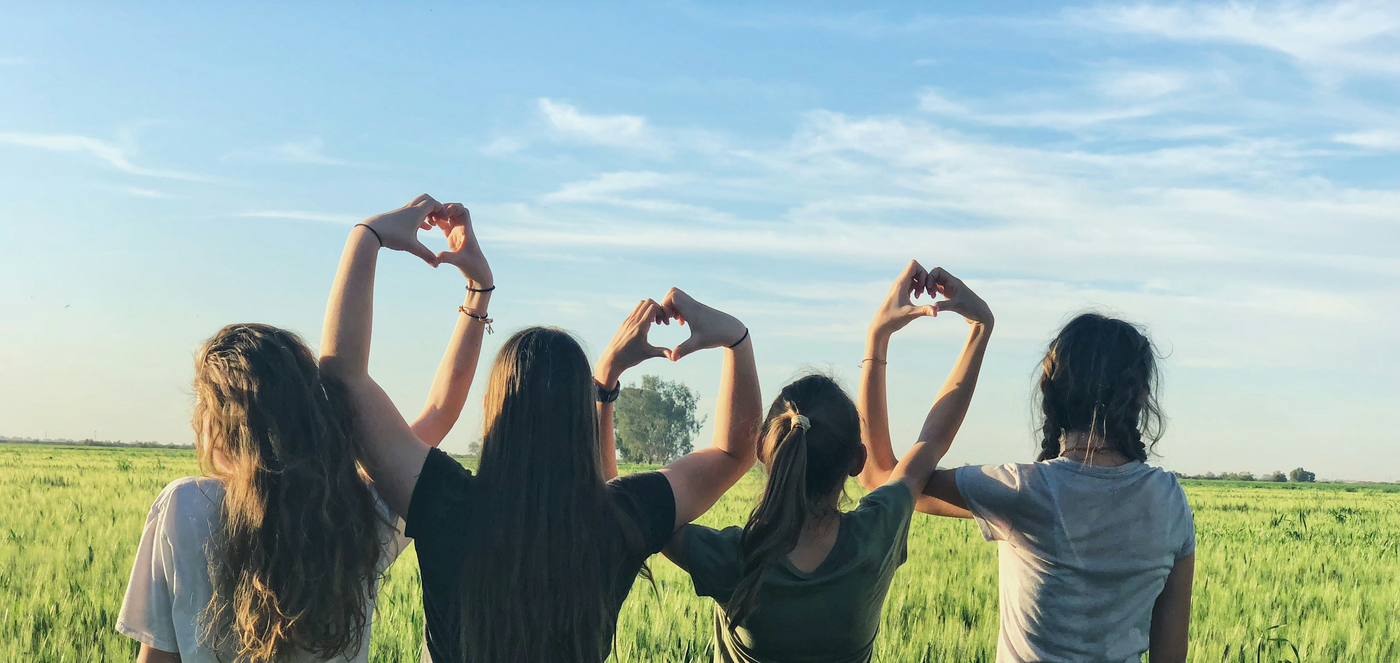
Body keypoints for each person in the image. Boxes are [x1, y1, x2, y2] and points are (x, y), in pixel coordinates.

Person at [316, 195, 763, 663]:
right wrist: (735, 339)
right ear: (581, 418)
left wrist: (367, 236)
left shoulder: (444, 501)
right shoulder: (623, 517)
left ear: (490, 409)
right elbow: (733, 453)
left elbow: (344, 379)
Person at [115, 220, 488, 663]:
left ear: (219, 426)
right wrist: (477, 291)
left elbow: (156, 658)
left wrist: (369, 235)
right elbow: (440, 411)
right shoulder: (356, 517)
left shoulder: (183, 509)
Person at [660, 260, 993, 663]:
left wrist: (606, 388)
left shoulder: (735, 557)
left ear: (764, 452)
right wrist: (976, 327)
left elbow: (639, 513)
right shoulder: (875, 535)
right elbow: (932, 440)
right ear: (856, 460)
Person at [859, 265, 1195, 663]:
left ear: (1050, 391)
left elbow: (881, 476)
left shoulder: (1025, 490)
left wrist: (879, 337)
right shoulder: (1169, 500)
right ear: (1140, 398)